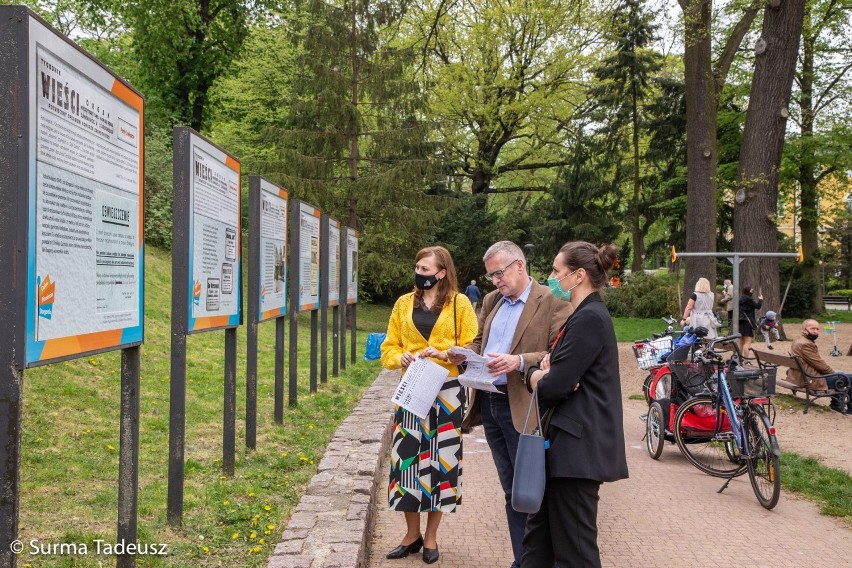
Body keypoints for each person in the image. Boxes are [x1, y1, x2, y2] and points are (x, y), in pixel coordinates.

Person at [449, 241, 571, 568]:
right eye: (491, 276)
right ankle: (524, 559)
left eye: (499, 273)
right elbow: (481, 342)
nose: (495, 281)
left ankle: (537, 560)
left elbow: (558, 355)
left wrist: (518, 361)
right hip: (490, 405)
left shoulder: (552, 302)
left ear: (520, 266)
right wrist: (463, 352)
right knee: (511, 492)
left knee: (531, 491)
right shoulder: (492, 300)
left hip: (525, 408)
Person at [522, 241, 629, 568]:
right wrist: (540, 374)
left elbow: (555, 386)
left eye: (556, 271)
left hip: (577, 452)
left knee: (575, 552)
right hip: (564, 449)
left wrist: (538, 378)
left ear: (578, 275)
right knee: (537, 544)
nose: (551, 278)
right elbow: (556, 378)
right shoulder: (582, 315)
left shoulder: (590, 319)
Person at [380, 246, 478, 564]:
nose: (420, 273)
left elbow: (471, 345)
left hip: (447, 391)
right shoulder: (403, 304)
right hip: (412, 389)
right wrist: (401, 356)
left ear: (442, 272)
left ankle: (432, 537)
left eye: (426, 268)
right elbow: (388, 346)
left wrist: (446, 352)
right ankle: (412, 535)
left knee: (441, 463)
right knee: (407, 462)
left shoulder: (459, 304)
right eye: (417, 267)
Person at [789, 319, 852, 416]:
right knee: (847, 377)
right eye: (812, 328)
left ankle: (837, 404)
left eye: (817, 329)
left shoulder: (799, 341)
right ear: (804, 330)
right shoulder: (806, 344)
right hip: (810, 380)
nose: (816, 331)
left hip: (800, 376)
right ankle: (849, 409)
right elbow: (820, 365)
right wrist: (835, 374)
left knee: (841, 374)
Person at [738, 286, 763, 356]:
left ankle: (739, 359)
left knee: (741, 342)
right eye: (751, 291)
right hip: (747, 322)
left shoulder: (740, 299)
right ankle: (746, 360)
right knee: (747, 343)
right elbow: (758, 306)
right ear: (749, 291)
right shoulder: (748, 299)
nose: (752, 291)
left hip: (740, 321)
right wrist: (761, 300)